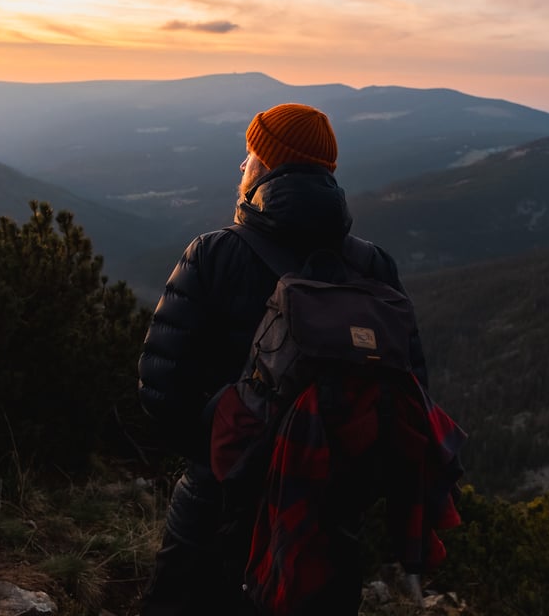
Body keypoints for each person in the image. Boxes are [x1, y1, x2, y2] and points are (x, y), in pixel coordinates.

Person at [137, 103, 429, 616]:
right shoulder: (374, 266)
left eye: (250, 154)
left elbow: (161, 390)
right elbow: (411, 392)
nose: (242, 165)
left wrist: (223, 457)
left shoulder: (214, 253)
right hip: (327, 523)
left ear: (267, 166)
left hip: (216, 509)